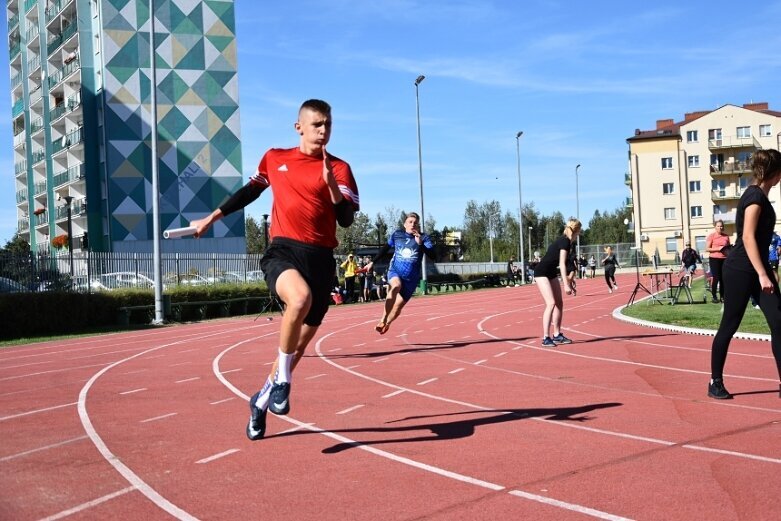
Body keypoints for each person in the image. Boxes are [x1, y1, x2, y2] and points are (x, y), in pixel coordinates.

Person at [190, 99, 359, 440]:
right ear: (299, 127)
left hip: (321, 259)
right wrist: (212, 217)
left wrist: (330, 188)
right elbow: (248, 192)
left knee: (299, 346)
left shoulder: (339, 169)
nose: (323, 130)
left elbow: (346, 220)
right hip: (283, 252)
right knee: (298, 300)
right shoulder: (275, 158)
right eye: (316, 125)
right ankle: (282, 381)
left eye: (328, 124)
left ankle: (262, 400)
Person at [709, 149, 781, 400]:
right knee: (729, 325)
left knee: (779, 322)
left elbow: (759, 241)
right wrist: (763, 274)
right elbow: (748, 236)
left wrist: (766, 271)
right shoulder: (754, 197)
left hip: (758, 268)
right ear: (775, 173)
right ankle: (714, 381)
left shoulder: (761, 196)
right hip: (741, 270)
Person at [365, 212, 434, 335]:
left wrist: (420, 244)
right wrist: (372, 262)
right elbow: (385, 248)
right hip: (395, 271)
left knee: (397, 308)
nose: (412, 224)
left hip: (411, 279)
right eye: (410, 222)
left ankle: (388, 323)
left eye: (415, 223)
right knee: (396, 286)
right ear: (405, 224)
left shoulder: (424, 238)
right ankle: (383, 319)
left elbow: (433, 256)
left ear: (418, 226)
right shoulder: (397, 235)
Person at [533, 218, 581, 346]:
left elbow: (566, 264)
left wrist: (569, 281)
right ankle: (545, 338)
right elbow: (562, 264)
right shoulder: (565, 242)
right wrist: (566, 284)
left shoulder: (566, 242)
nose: (578, 236)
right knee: (551, 303)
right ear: (575, 231)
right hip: (541, 272)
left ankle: (557, 334)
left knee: (559, 303)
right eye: (579, 232)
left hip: (551, 272)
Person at [705, 219, 730, 303]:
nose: (720, 227)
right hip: (714, 259)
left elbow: (728, 248)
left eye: (721, 226)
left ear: (723, 227)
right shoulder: (711, 236)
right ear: (715, 227)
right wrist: (718, 249)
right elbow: (707, 248)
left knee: (724, 278)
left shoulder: (726, 236)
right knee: (716, 277)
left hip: (724, 259)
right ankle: (714, 296)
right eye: (718, 226)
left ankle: (723, 297)